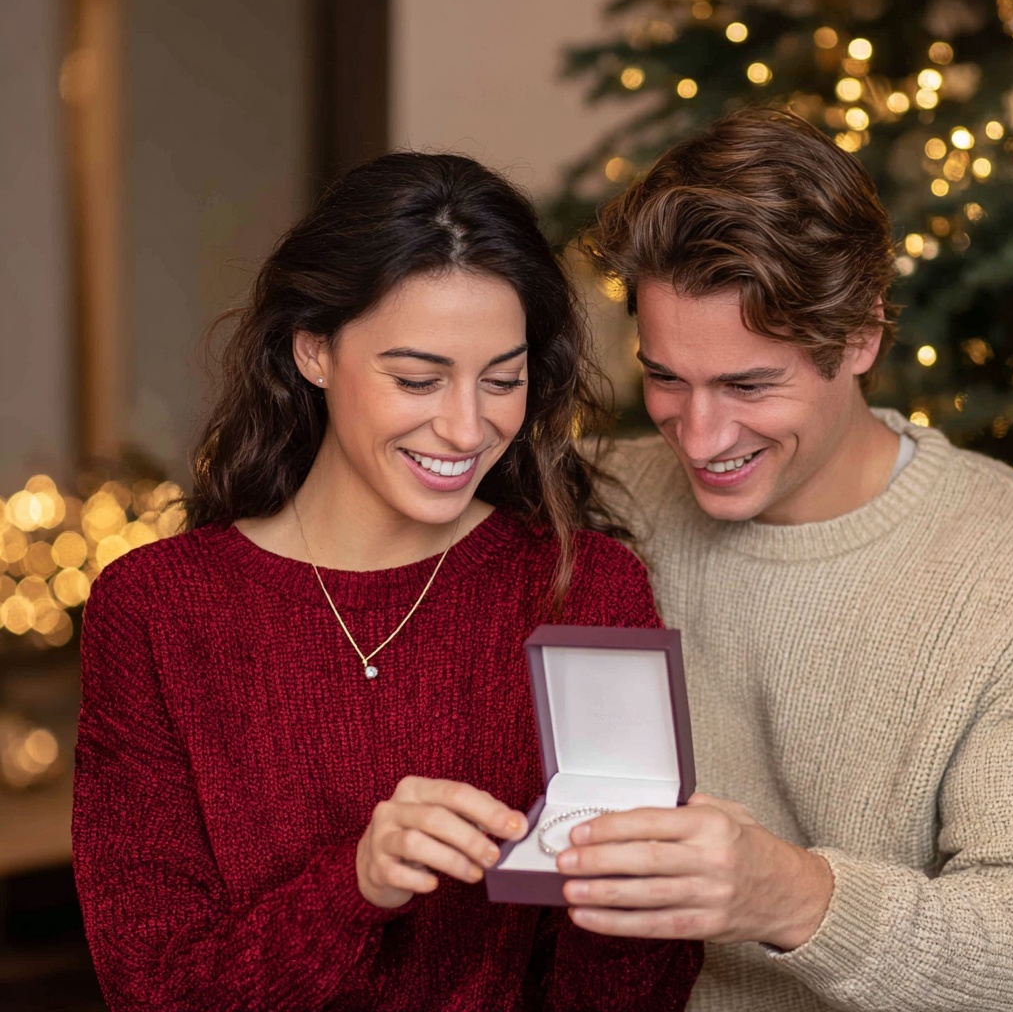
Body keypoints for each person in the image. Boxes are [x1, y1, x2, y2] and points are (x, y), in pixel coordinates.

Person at [72, 152, 702, 1011]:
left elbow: (631, 993)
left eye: (503, 380)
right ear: (313, 351)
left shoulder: (582, 588)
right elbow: (151, 987)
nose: (466, 425)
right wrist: (356, 884)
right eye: (417, 378)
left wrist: (634, 891)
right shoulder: (159, 607)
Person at [556, 107, 1013, 1011]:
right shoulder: (593, 499)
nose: (699, 435)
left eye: (747, 384)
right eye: (665, 377)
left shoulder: (1003, 569)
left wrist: (792, 896)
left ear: (860, 338)